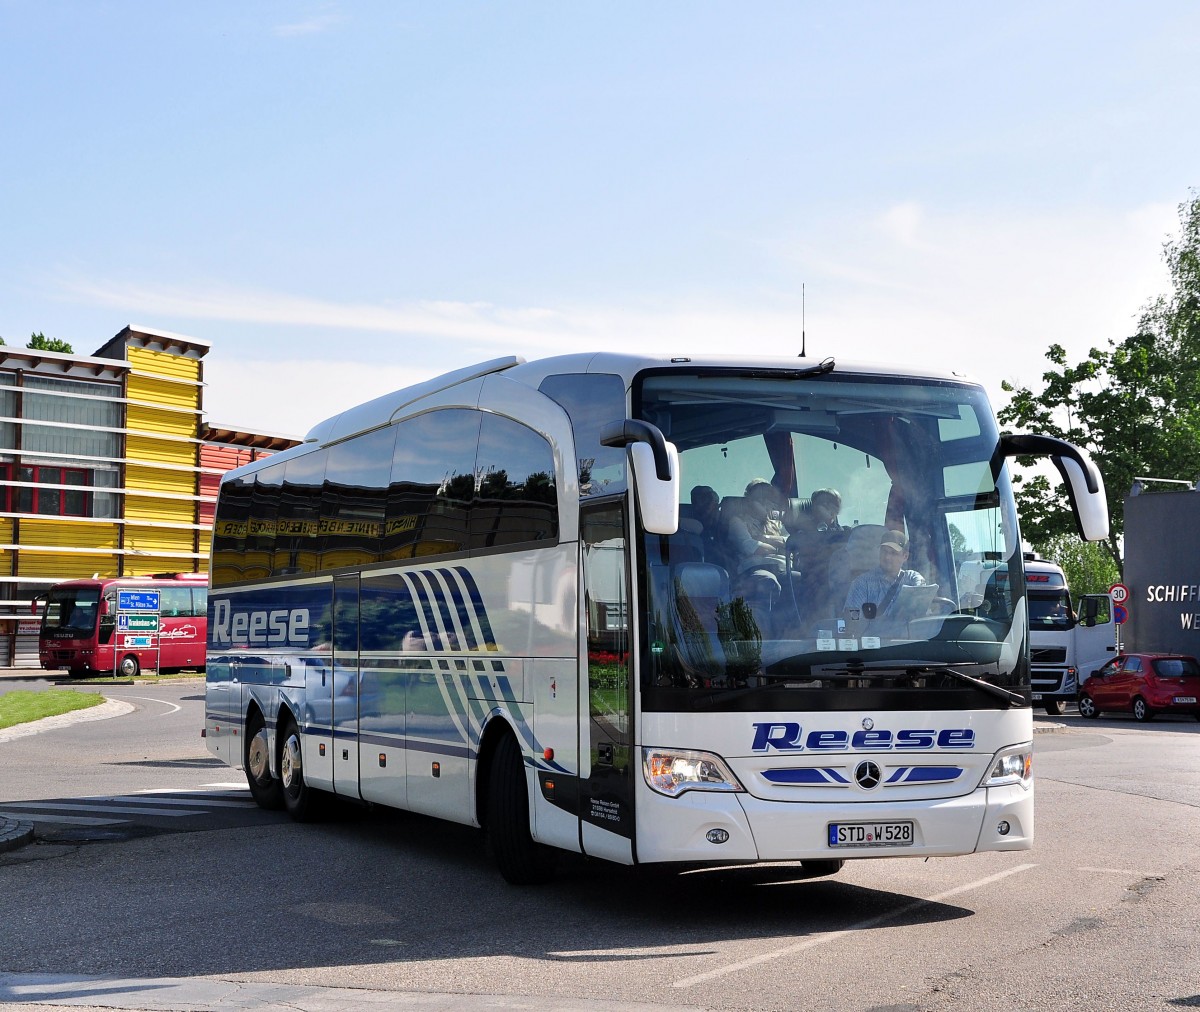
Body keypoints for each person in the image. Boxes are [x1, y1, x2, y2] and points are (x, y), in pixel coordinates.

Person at [843, 530, 925, 631]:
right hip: (872, 644)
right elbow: (851, 624)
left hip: (908, 642)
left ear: (905, 556)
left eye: (893, 553)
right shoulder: (862, 584)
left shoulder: (912, 578)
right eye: (884, 551)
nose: (887, 557)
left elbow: (923, 591)